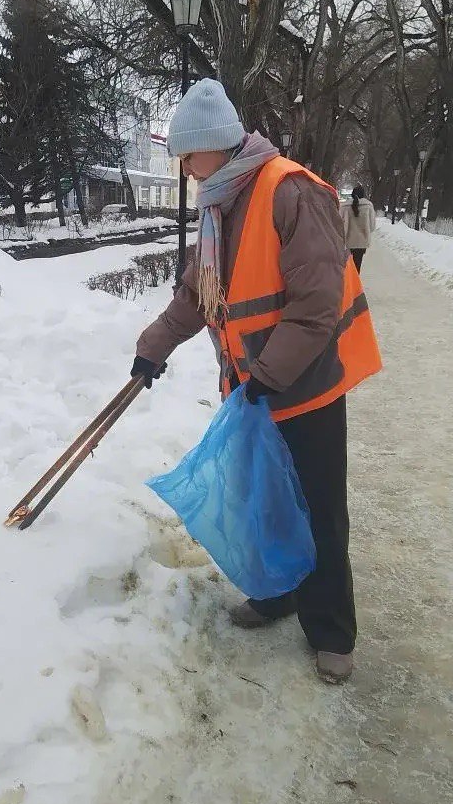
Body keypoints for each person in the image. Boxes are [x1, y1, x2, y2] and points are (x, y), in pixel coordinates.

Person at [131, 78, 382, 684]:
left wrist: (269, 376)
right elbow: (198, 294)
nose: (185, 168)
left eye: (188, 154)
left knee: (318, 509)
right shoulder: (221, 205)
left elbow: (317, 304)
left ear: (215, 144)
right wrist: (152, 348)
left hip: (307, 387)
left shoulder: (288, 189)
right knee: (265, 502)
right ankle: (277, 593)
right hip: (255, 389)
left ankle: (331, 631)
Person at [340, 185, 376, 272]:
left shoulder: (344, 207)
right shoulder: (368, 206)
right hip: (361, 242)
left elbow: (339, 224)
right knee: (357, 266)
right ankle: (355, 280)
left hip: (347, 242)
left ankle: (346, 280)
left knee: (346, 267)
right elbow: (372, 226)